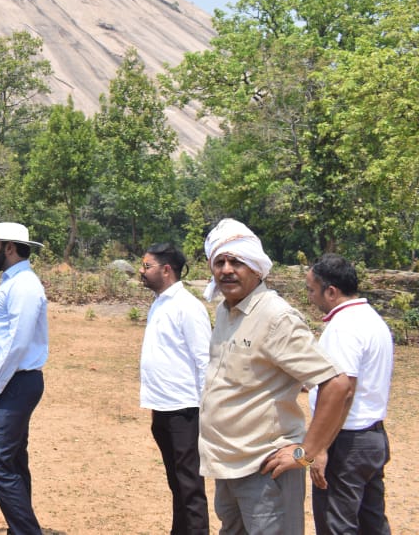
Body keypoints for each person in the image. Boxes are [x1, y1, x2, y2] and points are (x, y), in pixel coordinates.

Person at [198, 218, 353, 534]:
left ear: (256, 268)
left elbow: (338, 385)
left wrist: (305, 453)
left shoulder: (274, 316)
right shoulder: (226, 310)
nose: (227, 269)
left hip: (265, 469)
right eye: (220, 261)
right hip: (228, 465)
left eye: (237, 261)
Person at [305, 254, 393, 535]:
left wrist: (319, 448)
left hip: (346, 442)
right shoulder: (372, 319)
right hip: (372, 437)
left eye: (311, 290)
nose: (310, 297)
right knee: (372, 523)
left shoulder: (343, 327)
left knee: (337, 525)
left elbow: (343, 391)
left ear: (330, 291)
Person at [0, 222, 48, 535]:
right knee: (13, 459)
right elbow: (5, 336)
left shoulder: (25, 285)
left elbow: (18, 341)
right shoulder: (14, 282)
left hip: (17, 382)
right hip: (11, 379)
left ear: (10, 248)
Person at [138, 242, 211, 535]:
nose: (141, 272)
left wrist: (208, 410)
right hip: (162, 406)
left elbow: (204, 359)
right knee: (176, 482)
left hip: (185, 409)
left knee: (190, 484)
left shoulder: (188, 307)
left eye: (147, 266)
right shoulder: (160, 302)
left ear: (166, 270)